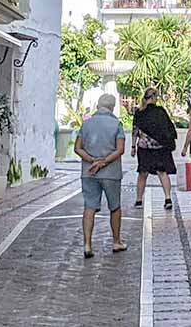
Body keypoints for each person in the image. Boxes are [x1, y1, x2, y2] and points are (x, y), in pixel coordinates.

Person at [74, 93, 128, 258]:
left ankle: (87, 244)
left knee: (89, 206)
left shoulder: (86, 124)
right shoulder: (116, 124)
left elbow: (77, 148)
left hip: (89, 172)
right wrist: (103, 162)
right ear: (112, 107)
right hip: (111, 173)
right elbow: (120, 149)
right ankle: (116, 241)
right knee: (115, 207)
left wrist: (92, 160)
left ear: (98, 105)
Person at [130, 88, 179, 210]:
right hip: (160, 147)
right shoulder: (160, 111)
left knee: (142, 173)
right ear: (153, 97)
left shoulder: (139, 112)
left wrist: (133, 146)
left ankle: (139, 200)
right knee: (162, 172)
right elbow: (168, 128)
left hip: (144, 147)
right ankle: (168, 198)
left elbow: (135, 131)